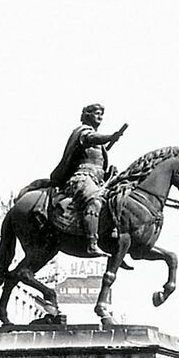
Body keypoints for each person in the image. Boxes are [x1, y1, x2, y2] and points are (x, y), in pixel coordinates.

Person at [49, 103, 126, 256]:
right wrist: (110, 137)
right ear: (87, 115)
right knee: (95, 200)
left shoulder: (98, 142)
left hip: (96, 180)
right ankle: (92, 243)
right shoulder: (83, 132)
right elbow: (91, 138)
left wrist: (108, 173)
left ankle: (113, 243)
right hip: (82, 178)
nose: (100, 117)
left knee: (116, 200)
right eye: (97, 113)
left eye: (102, 114)